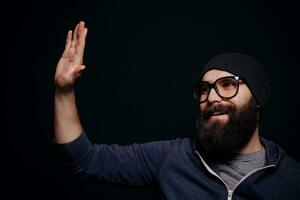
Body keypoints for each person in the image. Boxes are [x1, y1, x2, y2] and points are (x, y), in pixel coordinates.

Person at [54, 21, 300, 200]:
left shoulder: (292, 179)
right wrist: (64, 91)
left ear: (257, 98)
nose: (212, 97)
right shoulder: (173, 158)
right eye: (204, 89)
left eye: (227, 85)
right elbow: (86, 160)